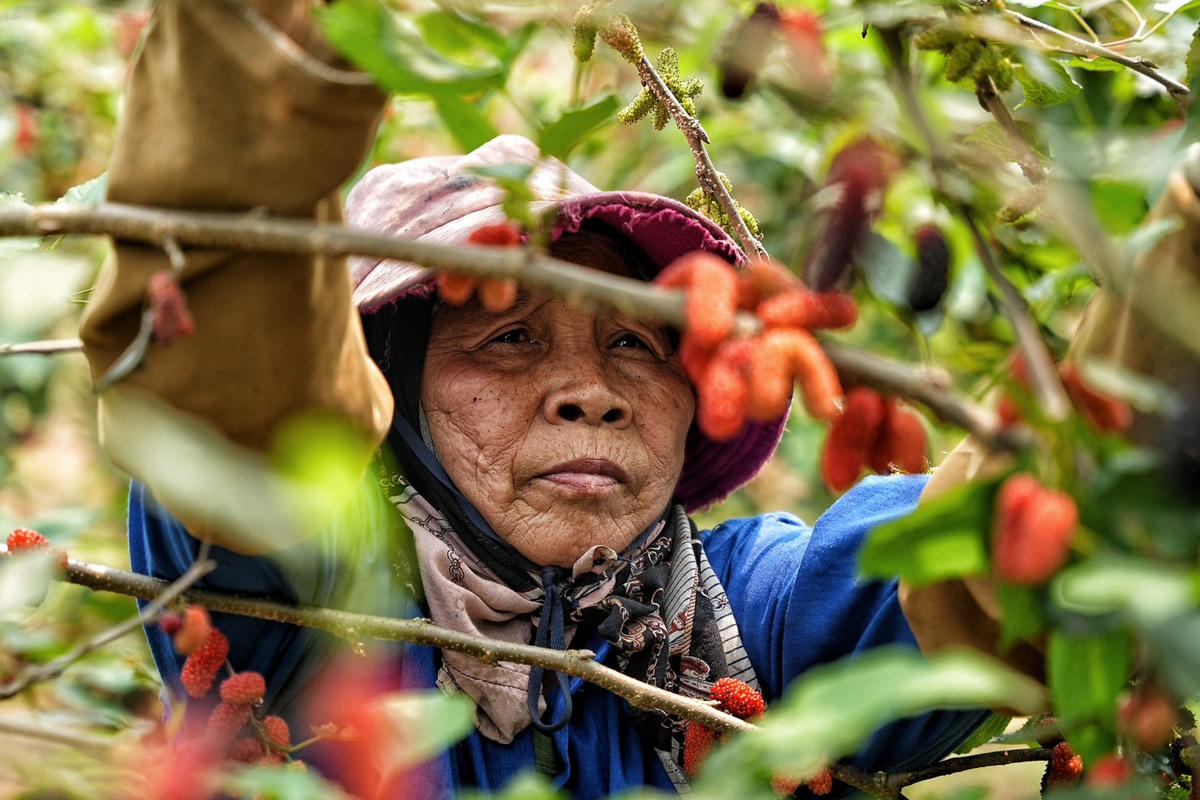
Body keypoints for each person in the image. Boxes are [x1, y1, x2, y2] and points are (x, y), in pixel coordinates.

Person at [77, 1, 1198, 797]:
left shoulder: (735, 621)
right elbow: (241, 380)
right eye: (507, 337)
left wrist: (1180, 268)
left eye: (634, 344)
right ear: (390, 393)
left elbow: (994, 564)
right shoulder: (298, 606)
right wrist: (261, 54)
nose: (591, 394)